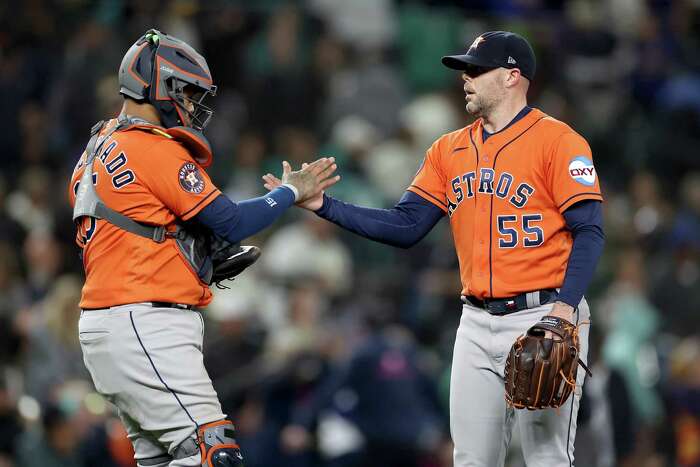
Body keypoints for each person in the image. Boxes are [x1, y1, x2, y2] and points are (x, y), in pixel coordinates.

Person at [264, 30, 605, 466]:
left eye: (477, 70)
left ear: (511, 77)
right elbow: (405, 226)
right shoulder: (448, 150)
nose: (466, 78)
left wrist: (564, 311)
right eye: (465, 70)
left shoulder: (560, 142)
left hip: (544, 317)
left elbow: (590, 231)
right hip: (476, 322)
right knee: (470, 460)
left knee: (547, 459)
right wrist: (322, 205)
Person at [69, 29, 338, 467]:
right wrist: (290, 191)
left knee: (165, 459)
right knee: (216, 454)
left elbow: (132, 232)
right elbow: (231, 221)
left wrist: (190, 253)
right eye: (188, 93)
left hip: (115, 325)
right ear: (160, 84)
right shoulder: (148, 145)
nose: (192, 106)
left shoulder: (93, 150)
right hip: (145, 323)